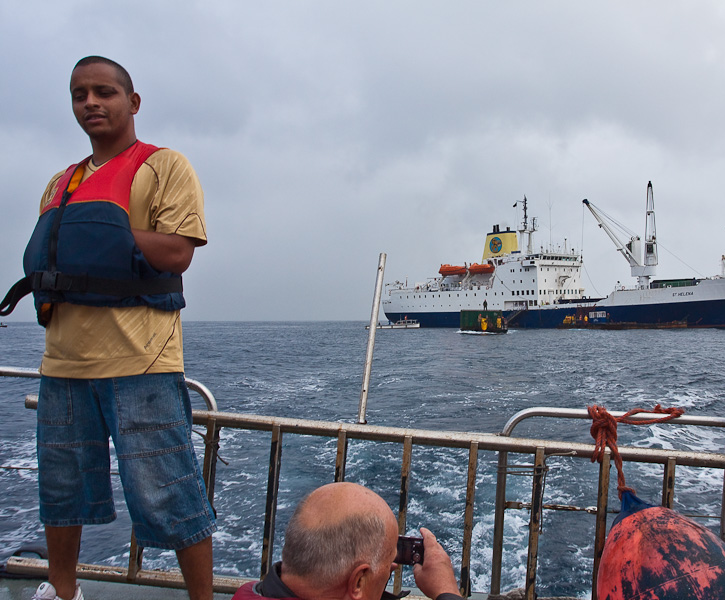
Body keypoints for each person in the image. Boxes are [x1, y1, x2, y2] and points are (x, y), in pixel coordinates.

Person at [16, 56, 213, 600]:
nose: (91, 103)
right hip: (63, 367)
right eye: (80, 94)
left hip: (141, 366)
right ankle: (63, 591)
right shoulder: (61, 182)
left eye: (104, 91)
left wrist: (103, 236)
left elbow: (177, 251)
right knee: (62, 494)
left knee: (171, 496)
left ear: (133, 102)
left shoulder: (164, 166)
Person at [232, 482, 463, 600]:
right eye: (388, 563)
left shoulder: (246, 592)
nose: (392, 567)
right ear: (358, 582)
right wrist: (446, 591)